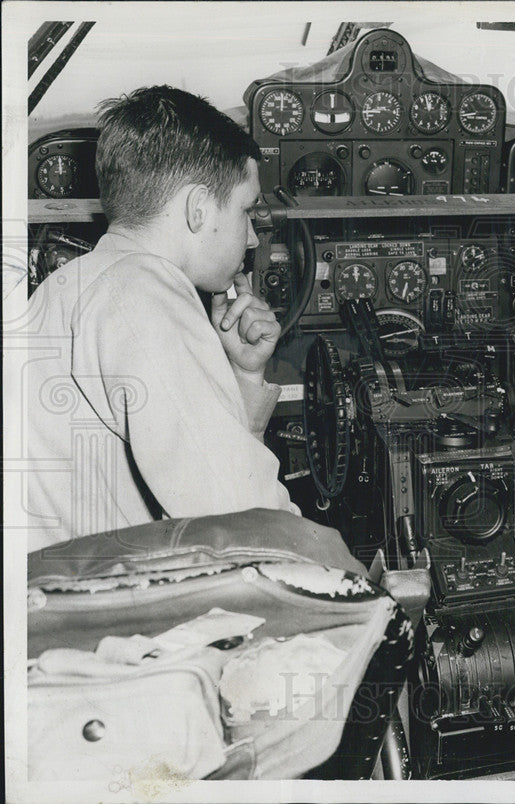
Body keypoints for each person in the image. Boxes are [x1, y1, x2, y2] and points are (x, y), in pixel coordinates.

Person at [22, 86, 299, 550]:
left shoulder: (73, 284)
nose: (252, 237)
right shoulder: (142, 293)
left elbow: (204, 466)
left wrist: (243, 375)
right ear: (197, 209)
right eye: (246, 209)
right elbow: (241, 520)